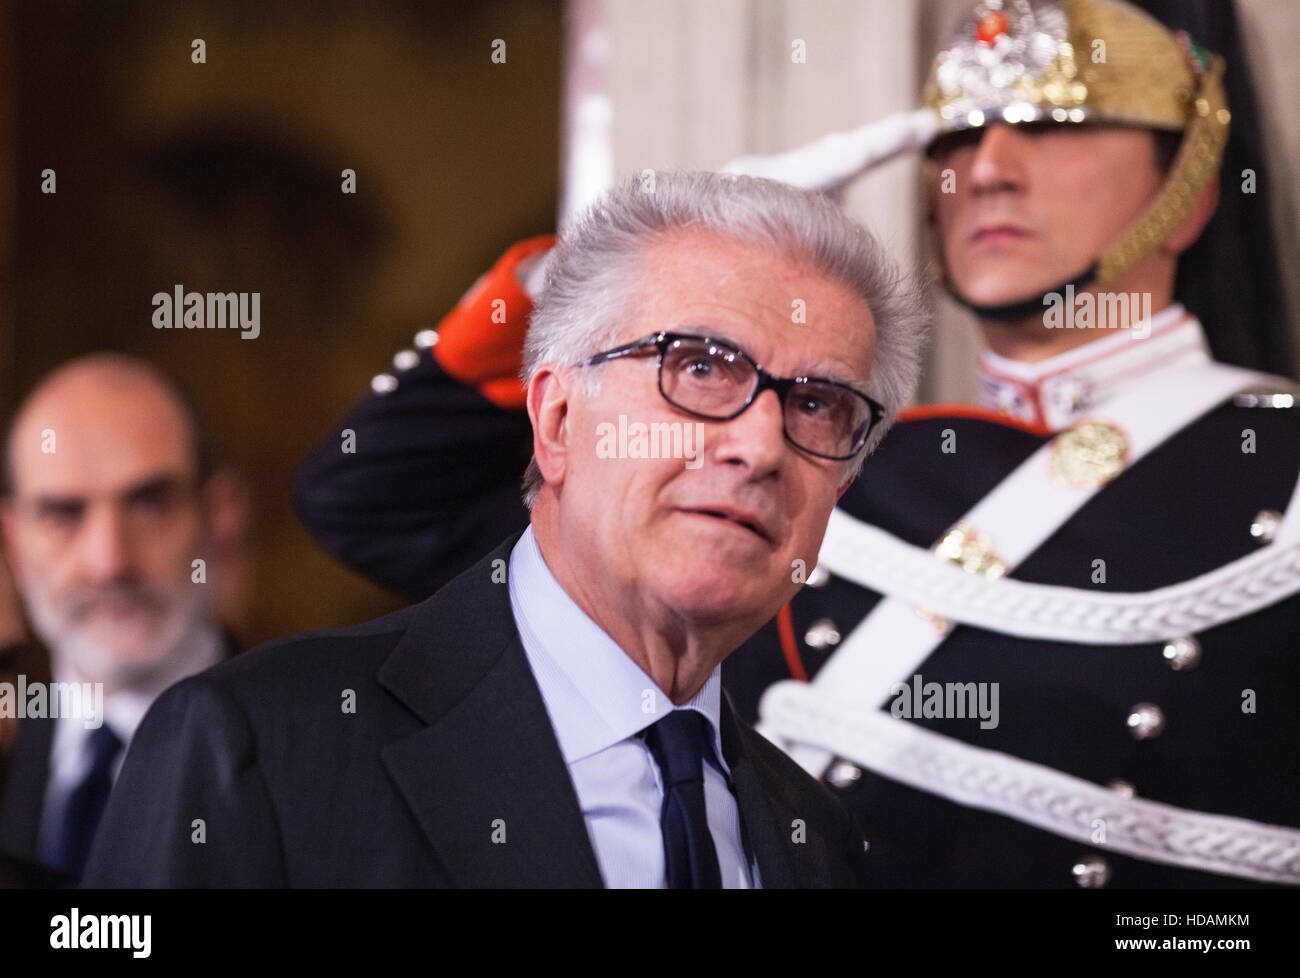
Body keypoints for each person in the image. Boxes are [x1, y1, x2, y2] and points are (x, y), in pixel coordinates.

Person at [293, 0, 1300, 888]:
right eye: (957, 135)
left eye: (1053, 125)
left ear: (1193, 189)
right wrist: (607, 265)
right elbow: (374, 499)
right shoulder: (812, 452)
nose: (987, 168)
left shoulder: (1276, 472)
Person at [84, 170, 926, 888]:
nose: (758, 446)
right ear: (557, 419)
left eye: (817, 405)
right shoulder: (258, 747)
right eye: (700, 368)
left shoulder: (821, 843)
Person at [0, 355, 239, 883]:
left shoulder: (310, 755)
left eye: (149, 503)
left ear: (219, 514)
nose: (109, 563)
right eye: (64, 513)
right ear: (14, 539)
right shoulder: (7, 760)